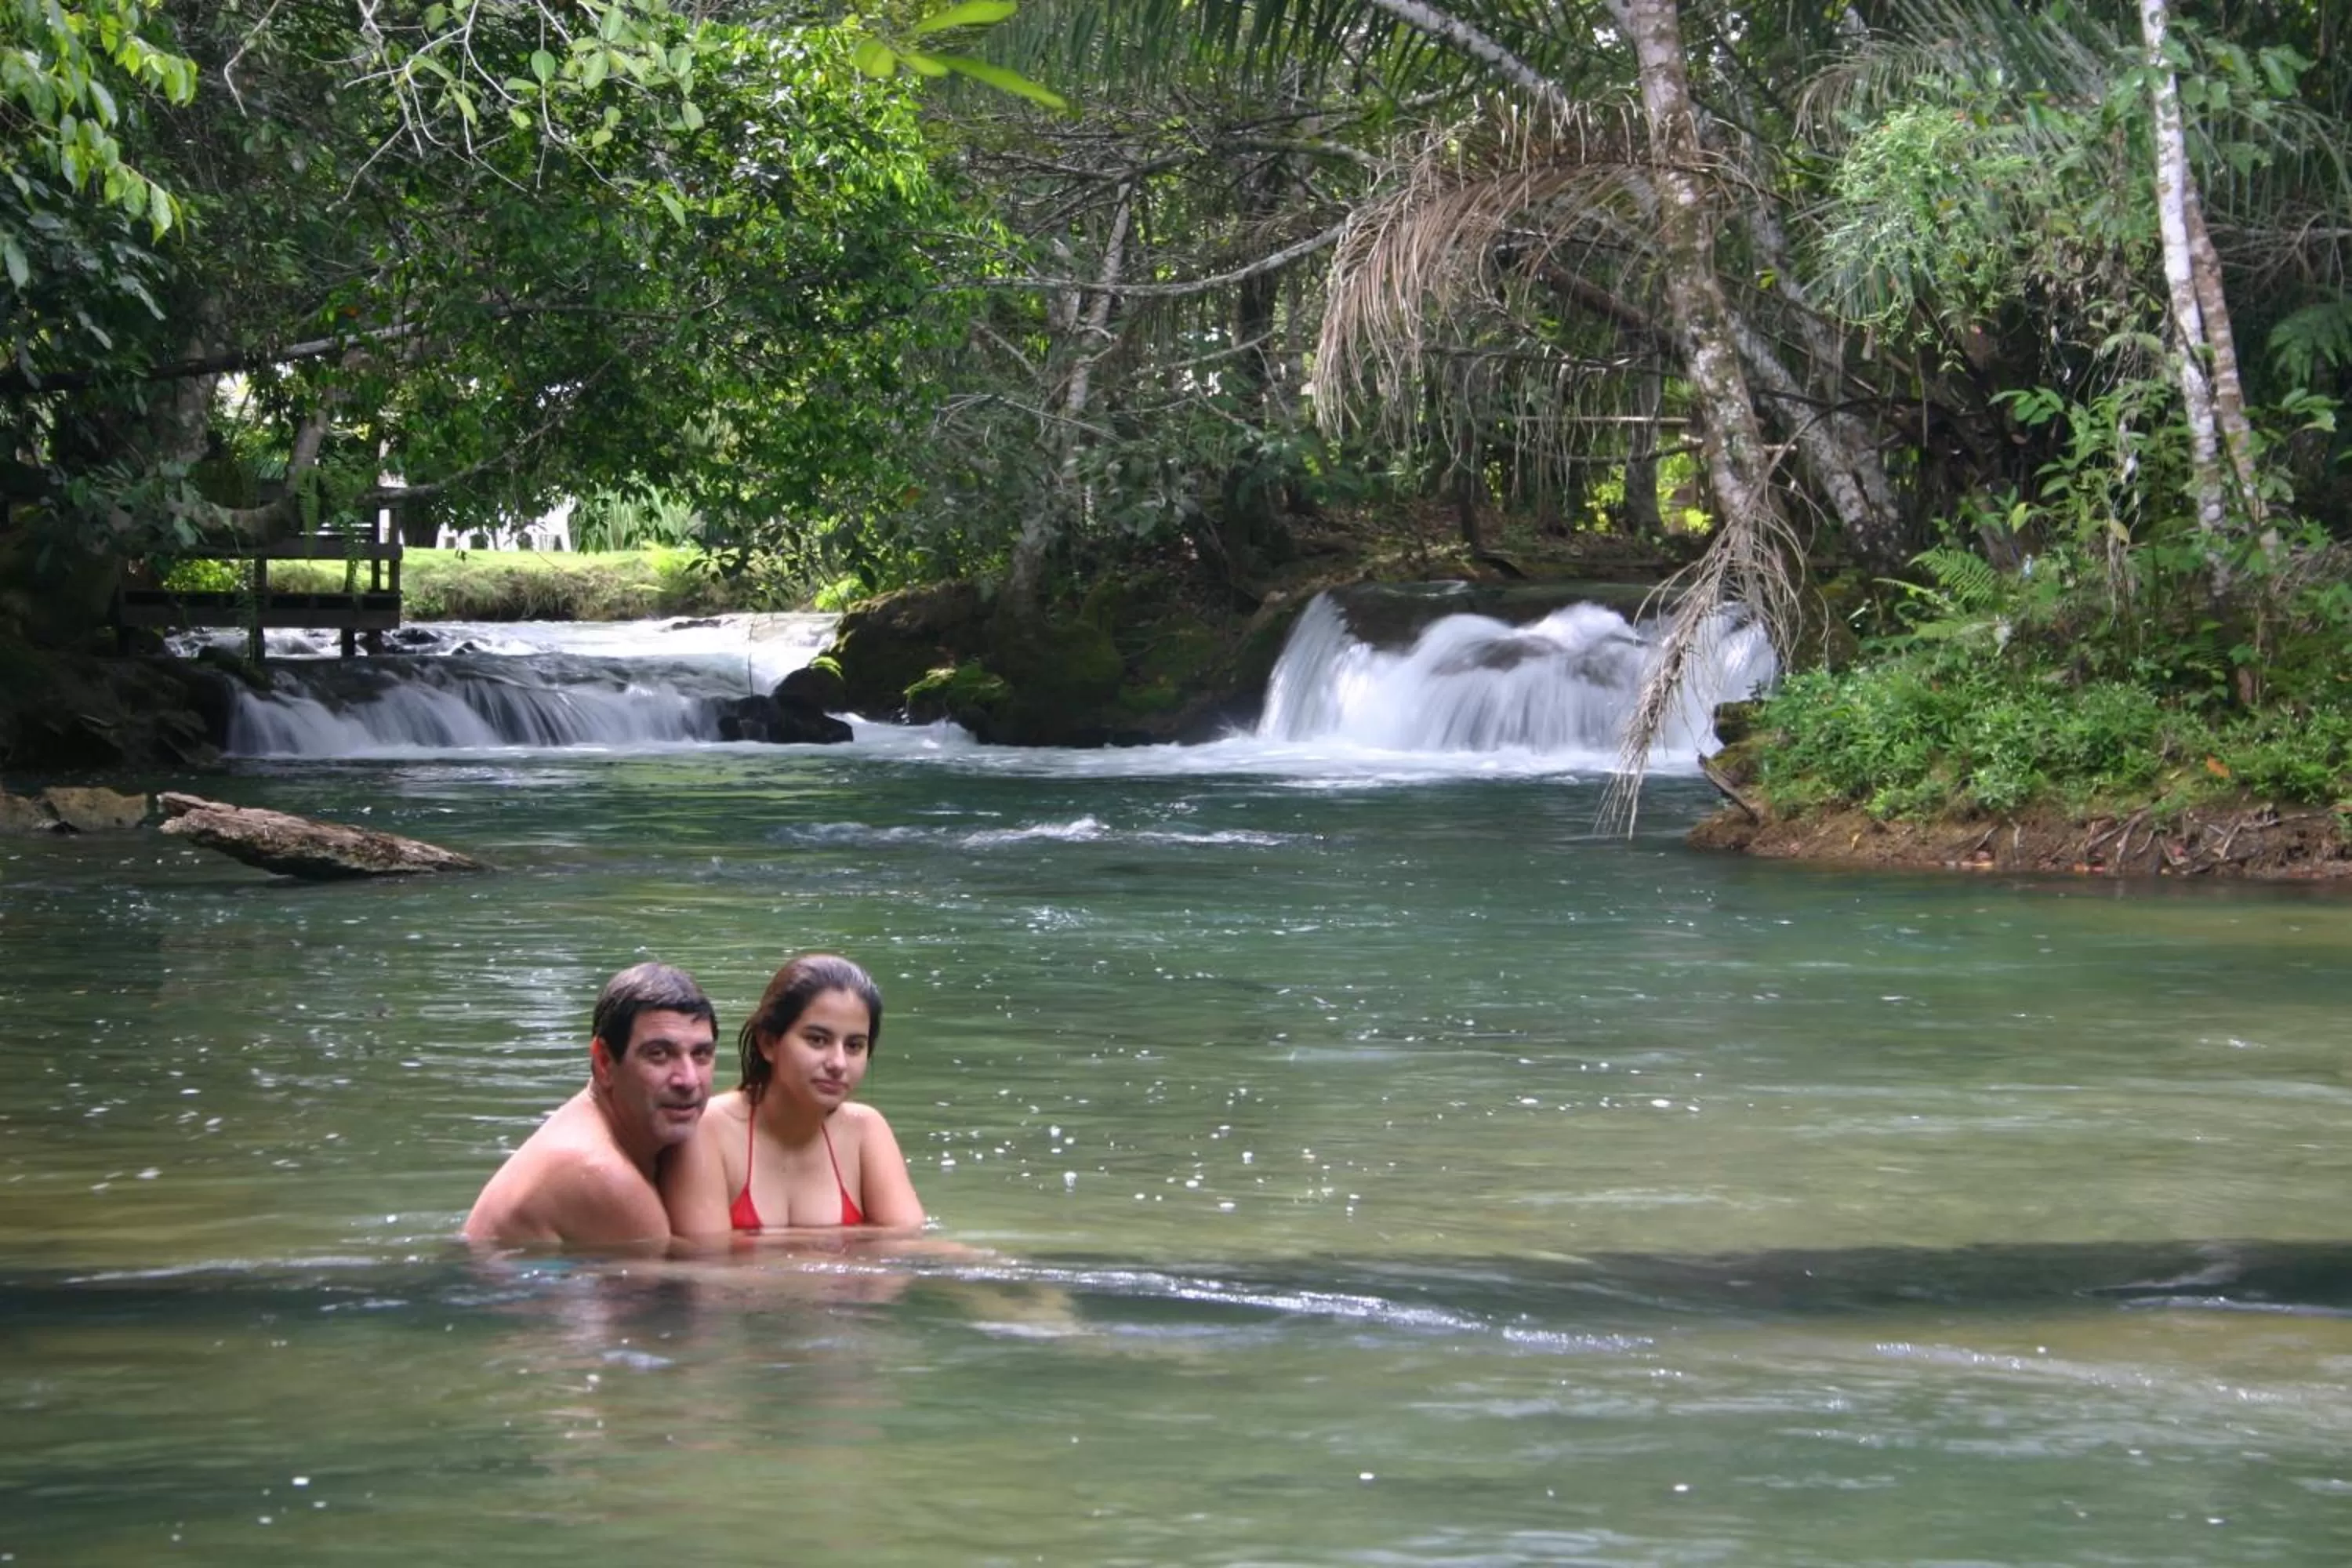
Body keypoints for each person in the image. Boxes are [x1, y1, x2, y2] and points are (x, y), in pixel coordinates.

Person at [662, 953, 923, 1236]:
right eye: (817, 1040)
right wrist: (852, 1241)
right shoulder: (707, 1129)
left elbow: (907, 1242)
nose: (838, 1063)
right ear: (768, 1043)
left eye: (854, 1046)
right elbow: (705, 1255)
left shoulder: (865, 1129)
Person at [463, 961, 719, 1247]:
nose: (688, 1080)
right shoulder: (599, 1172)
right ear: (604, 1062)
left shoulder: (614, 1133)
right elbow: (702, 1272)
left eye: (701, 1054)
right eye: (659, 1054)